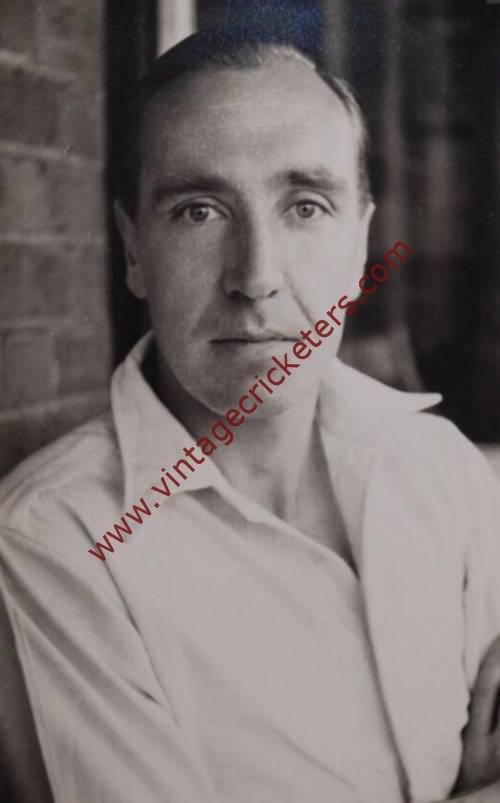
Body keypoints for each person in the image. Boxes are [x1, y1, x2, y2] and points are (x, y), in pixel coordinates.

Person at [1, 26, 500, 803]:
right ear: (133, 250)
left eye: (306, 206)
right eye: (199, 211)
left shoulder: (445, 467)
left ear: (360, 243)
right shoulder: (51, 544)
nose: (256, 276)